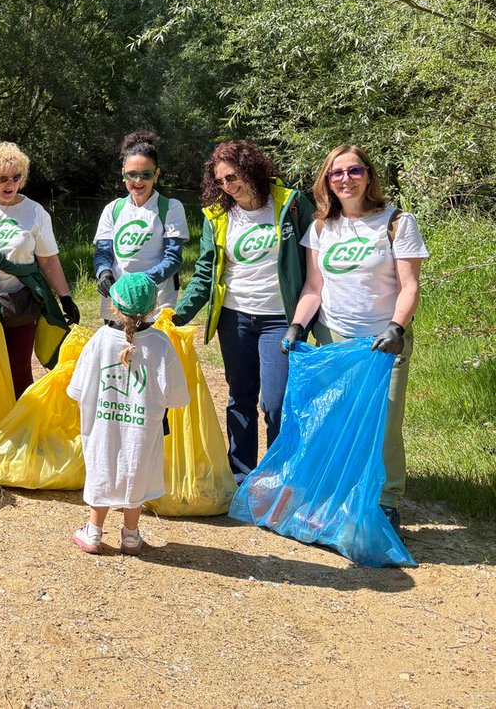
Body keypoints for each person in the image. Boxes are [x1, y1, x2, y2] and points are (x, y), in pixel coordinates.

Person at [283, 144, 428, 533]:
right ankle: (341, 493)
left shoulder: (397, 222)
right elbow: (314, 286)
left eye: (354, 171)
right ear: (326, 181)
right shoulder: (320, 226)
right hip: (334, 339)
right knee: (337, 418)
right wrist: (298, 325)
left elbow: (410, 286)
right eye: (336, 173)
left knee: (384, 423)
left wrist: (397, 327)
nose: (345, 179)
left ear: (369, 175)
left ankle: (385, 501)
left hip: (384, 341)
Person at [172, 141, 314, 481]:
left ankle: (279, 475)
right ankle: (242, 472)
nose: (228, 186)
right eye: (220, 181)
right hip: (235, 318)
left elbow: (315, 259)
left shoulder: (290, 205)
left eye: (232, 176)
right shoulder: (218, 216)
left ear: (252, 169)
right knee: (241, 397)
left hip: (281, 318)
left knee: (277, 402)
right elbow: (206, 273)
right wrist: (175, 317)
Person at [67, 274, 189, 556]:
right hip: (143, 431)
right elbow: (176, 396)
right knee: (137, 470)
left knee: (102, 469)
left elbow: (76, 389)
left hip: (101, 428)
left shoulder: (99, 340)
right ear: (152, 309)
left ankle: (94, 532)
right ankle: (131, 536)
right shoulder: (161, 344)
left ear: (114, 306)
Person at [0, 142, 79, 397]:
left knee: (19, 370)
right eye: (2, 178)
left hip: (23, 302)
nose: (10, 184)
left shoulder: (35, 212)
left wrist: (65, 297)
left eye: (16, 177)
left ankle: (19, 429)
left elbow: (49, 261)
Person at [93, 130, 189, 322]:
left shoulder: (170, 207)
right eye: (132, 174)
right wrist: (104, 273)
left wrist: (137, 283)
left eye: (145, 174)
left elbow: (173, 259)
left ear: (157, 174)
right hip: (117, 300)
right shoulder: (113, 209)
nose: (138, 181)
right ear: (123, 173)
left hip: (156, 302)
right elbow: (103, 252)